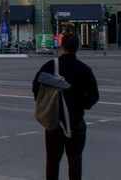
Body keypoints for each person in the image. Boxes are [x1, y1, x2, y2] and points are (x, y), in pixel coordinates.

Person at [32, 33, 99, 180]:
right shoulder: (84, 69)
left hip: (54, 120)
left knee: (52, 159)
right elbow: (94, 96)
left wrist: (46, 103)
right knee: (75, 159)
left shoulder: (51, 66)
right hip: (76, 121)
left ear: (61, 47)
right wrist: (82, 105)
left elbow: (36, 87)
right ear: (78, 48)